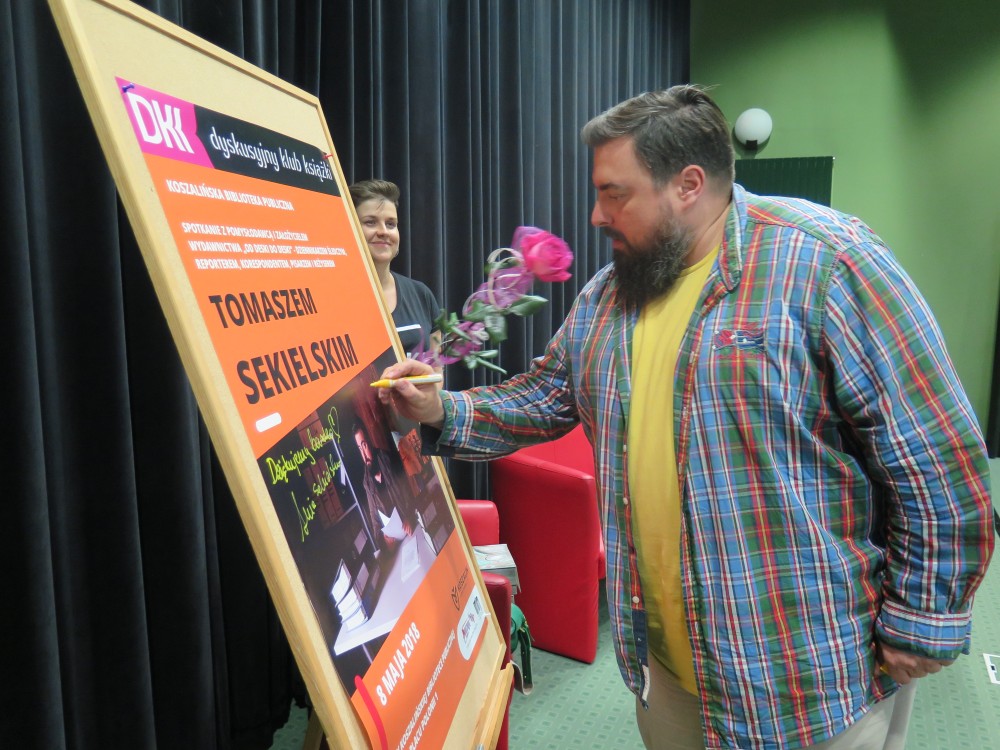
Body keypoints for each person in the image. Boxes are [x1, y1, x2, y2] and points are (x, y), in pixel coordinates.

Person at [375, 85, 996, 750]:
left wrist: (925, 615)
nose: (596, 215)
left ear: (688, 185)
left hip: (804, 678)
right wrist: (441, 408)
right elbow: (548, 395)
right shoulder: (610, 293)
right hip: (665, 670)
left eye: (615, 194)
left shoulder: (827, 260)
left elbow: (935, 456)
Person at [349, 179, 442, 362]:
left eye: (391, 224)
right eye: (370, 222)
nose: (383, 231)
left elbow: (436, 369)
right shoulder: (331, 299)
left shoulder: (421, 294)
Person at [352, 419, 415, 550]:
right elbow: (374, 518)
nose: (364, 454)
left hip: (410, 530)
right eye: (359, 448)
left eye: (364, 445)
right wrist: (383, 537)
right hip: (396, 545)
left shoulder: (387, 459)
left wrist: (408, 516)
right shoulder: (366, 482)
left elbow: (407, 491)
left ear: (369, 442)